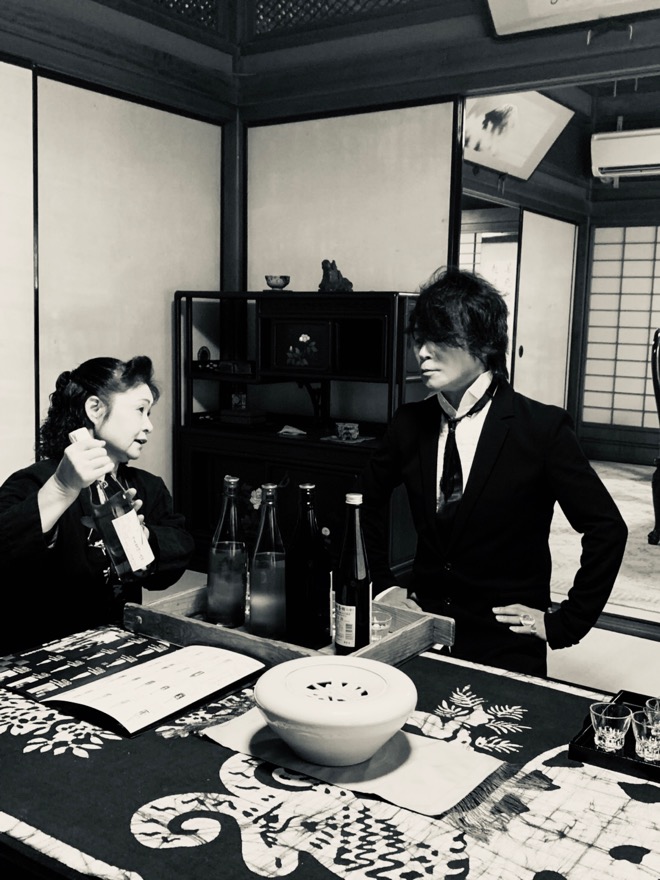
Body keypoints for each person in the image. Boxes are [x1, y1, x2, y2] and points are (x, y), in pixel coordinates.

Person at [360, 268, 628, 676]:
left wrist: (565, 622)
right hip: (419, 629)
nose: (422, 353)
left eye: (438, 338)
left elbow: (607, 529)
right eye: (419, 340)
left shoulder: (541, 428)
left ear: (483, 342)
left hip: (504, 641)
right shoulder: (409, 422)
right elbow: (363, 500)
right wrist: (384, 586)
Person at [0, 355, 194, 655]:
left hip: (121, 646)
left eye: (149, 413)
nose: (149, 425)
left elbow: (176, 557)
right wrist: (61, 488)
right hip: (43, 653)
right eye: (140, 410)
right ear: (95, 409)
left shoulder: (146, 486)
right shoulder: (33, 483)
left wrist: (145, 540)